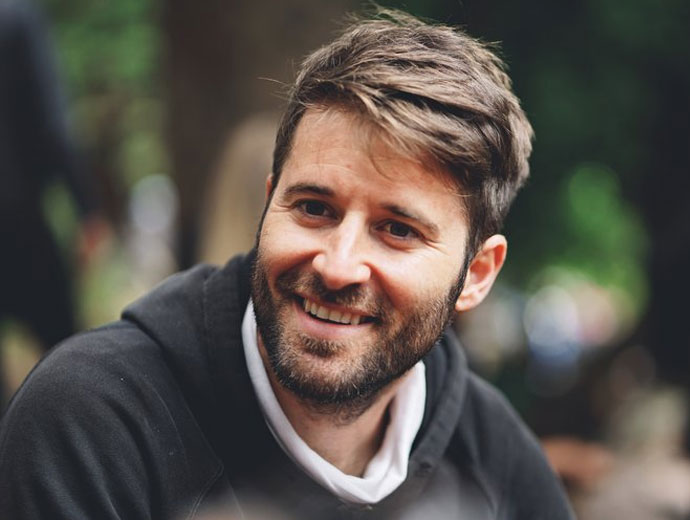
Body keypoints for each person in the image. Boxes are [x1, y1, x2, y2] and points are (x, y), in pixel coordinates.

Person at [0, 9, 575, 520]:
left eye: (397, 230)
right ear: (269, 201)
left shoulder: (500, 467)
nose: (338, 266)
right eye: (314, 208)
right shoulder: (93, 424)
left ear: (477, 275)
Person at [0, 0, 108, 407]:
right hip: (17, 220)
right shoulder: (16, 15)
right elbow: (52, 124)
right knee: (69, 362)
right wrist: (88, 212)